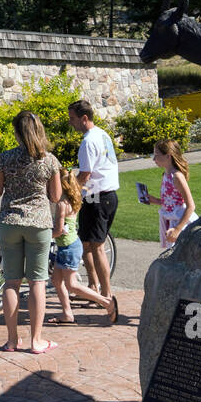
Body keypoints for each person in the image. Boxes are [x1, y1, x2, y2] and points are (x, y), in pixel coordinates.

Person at [0, 110, 61, 354]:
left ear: (17, 132)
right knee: (37, 282)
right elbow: (56, 196)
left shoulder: (5, 158)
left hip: (9, 222)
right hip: (39, 225)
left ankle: (11, 340)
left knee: (11, 281)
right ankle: (36, 341)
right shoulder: (50, 161)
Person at [49, 167, 118, 325]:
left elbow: (59, 231)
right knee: (56, 281)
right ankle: (67, 313)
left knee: (71, 285)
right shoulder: (71, 199)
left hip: (68, 249)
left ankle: (107, 302)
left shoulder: (62, 204)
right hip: (70, 246)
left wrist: (43, 235)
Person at [69, 100, 119, 302]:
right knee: (86, 244)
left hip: (97, 197)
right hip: (104, 196)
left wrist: (69, 193)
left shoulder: (88, 141)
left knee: (97, 246)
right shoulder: (102, 134)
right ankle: (93, 286)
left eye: (73, 118)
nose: (71, 123)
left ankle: (106, 295)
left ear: (84, 118)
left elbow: (85, 175)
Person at [140, 138, 196, 252]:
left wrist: (177, 229)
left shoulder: (177, 177)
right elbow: (172, 201)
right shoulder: (165, 175)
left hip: (179, 221)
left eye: (156, 155)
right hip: (169, 220)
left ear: (168, 156)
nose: (154, 159)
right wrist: (154, 200)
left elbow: (191, 206)